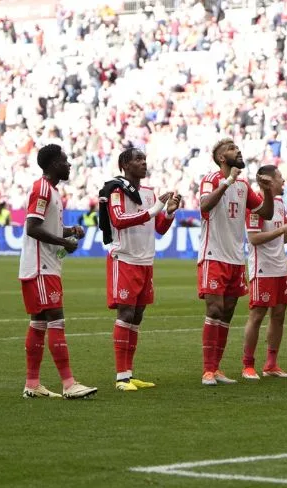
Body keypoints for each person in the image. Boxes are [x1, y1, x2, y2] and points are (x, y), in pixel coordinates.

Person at [18, 144, 97, 399]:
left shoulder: (51, 191)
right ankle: (69, 384)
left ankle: (32, 384)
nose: (69, 164)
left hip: (45, 265)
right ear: (53, 164)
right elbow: (32, 227)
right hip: (42, 267)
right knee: (56, 320)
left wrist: (70, 231)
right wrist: (65, 243)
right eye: (65, 160)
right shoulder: (41, 189)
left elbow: (47, 227)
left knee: (39, 323)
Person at [197, 139, 275, 386]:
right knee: (214, 309)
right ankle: (208, 370)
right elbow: (205, 205)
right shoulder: (211, 179)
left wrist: (268, 191)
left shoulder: (243, 185)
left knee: (227, 312)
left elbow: (266, 213)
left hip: (235, 258)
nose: (238, 151)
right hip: (213, 254)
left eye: (237, 148)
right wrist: (227, 181)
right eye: (231, 149)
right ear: (222, 158)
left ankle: (217, 368)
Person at [103, 148, 180, 391]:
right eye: (138, 160)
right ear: (125, 164)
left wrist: (168, 212)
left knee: (136, 317)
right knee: (125, 315)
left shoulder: (148, 193)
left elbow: (158, 228)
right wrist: (156, 209)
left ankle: (129, 373)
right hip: (124, 259)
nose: (143, 163)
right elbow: (117, 220)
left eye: (145, 159)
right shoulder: (116, 191)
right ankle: (120, 377)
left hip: (145, 261)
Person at [241, 165, 287, 379]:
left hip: (280, 265)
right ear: (270, 181)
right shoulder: (255, 204)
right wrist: (283, 228)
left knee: (279, 314)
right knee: (257, 315)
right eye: (280, 177)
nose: (284, 181)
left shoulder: (280, 203)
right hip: (262, 267)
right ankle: (248, 365)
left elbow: (284, 238)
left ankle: (271, 364)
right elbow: (253, 239)